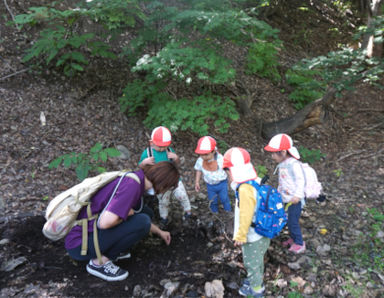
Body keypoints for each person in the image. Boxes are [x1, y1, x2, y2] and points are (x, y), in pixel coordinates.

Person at [65, 161, 180, 281]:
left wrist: (159, 232)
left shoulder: (135, 178)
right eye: (167, 188)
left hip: (86, 234)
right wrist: (127, 214)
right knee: (143, 221)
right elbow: (105, 223)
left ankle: (111, 248)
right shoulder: (132, 186)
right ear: (162, 183)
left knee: (146, 213)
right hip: (80, 245)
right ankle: (99, 262)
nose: (163, 192)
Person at [223, 147, 270, 297]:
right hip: (263, 231)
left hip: (252, 236)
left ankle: (257, 290)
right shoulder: (254, 181)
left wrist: (241, 235)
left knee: (251, 263)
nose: (227, 176)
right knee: (258, 261)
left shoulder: (244, 189)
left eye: (227, 172)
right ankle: (254, 280)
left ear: (232, 171)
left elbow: (246, 215)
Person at [139, 126, 191, 226]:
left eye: (164, 146)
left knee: (182, 195)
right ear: (151, 143)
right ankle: (164, 217)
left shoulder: (169, 150)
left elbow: (176, 164)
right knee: (163, 201)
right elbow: (140, 166)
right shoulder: (147, 153)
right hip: (160, 183)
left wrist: (176, 158)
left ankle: (188, 211)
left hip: (173, 179)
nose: (162, 148)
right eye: (159, 146)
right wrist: (144, 162)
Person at [264, 133, 306, 254]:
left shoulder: (294, 165)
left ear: (282, 152)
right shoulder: (283, 164)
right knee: (287, 220)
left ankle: (299, 243)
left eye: (274, 153)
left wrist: (297, 195)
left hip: (294, 200)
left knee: (293, 222)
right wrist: (278, 193)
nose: (272, 156)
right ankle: (292, 238)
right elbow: (283, 181)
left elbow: (300, 180)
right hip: (285, 198)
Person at [194, 136, 231, 213]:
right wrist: (197, 182)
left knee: (224, 198)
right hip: (210, 185)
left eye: (206, 154)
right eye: (201, 154)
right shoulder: (200, 160)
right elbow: (198, 170)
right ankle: (215, 213)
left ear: (213, 151)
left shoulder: (220, 159)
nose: (204, 157)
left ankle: (228, 211)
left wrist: (231, 178)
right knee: (212, 200)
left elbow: (226, 168)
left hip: (222, 183)